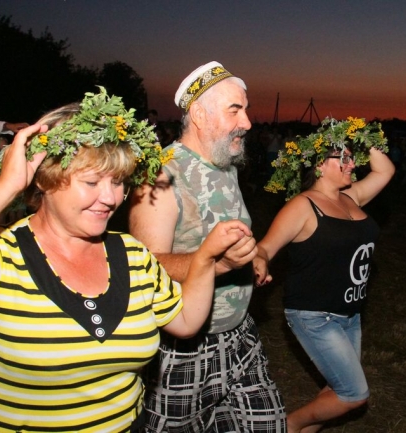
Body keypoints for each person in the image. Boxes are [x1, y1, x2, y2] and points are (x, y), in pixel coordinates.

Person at [0, 88, 252, 432]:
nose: (110, 198)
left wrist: (206, 259)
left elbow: (185, 321)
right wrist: (6, 187)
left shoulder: (131, 254)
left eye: (118, 182)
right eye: (92, 181)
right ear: (46, 179)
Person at [129, 61, 287, 432]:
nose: (247, 122)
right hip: (183, 348)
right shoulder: (162, 173)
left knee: (268, 424)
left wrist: (252, 258)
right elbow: (145, 266)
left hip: (240, 334)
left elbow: (223, 237)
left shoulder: (225, 163)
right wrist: (220, 265)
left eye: (245, 109)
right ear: (199, 114)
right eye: (235, 110)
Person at [259, 117, 394, 432]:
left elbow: (385, 170)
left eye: (351, 157)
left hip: (350, 314)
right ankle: (288, 426)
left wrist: (359, 135)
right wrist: (260, 261)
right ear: (319, 165)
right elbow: (264, 247)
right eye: (342, 158)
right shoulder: (303, 206)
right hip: (315, 315)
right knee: (354, 393)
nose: (351, 164)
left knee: (338, 388)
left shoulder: (351, 197)